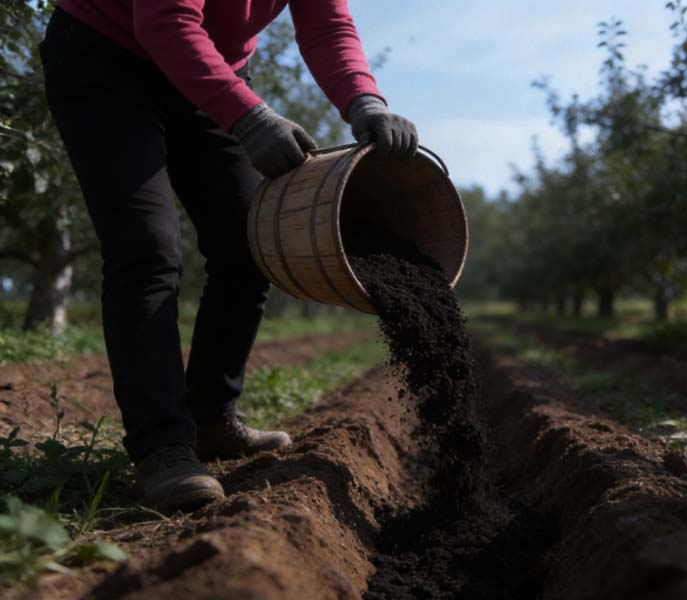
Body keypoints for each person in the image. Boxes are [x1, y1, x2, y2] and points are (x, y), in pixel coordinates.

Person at [39, 0, 418, 510]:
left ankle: (211, 419)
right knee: (146, 247)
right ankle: (162, 447)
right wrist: (250, 118)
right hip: (106, 54)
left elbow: (328, 24)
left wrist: (364, 101)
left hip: (207, 64)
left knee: (248, 242)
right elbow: (164, 20)